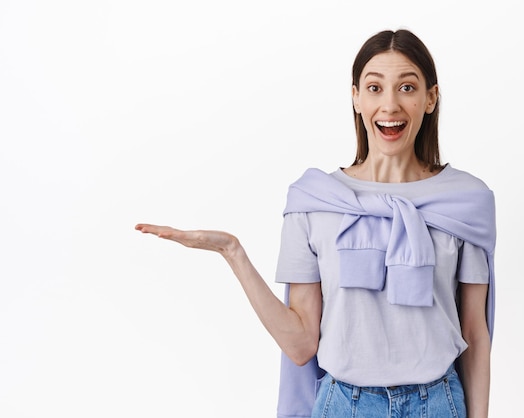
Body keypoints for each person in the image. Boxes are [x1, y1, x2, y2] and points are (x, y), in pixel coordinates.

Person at [136, 28, 496, 418]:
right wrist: (232, 253)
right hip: (344, 406)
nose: (390, 104)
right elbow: (301, 344)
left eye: (407, 88)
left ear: (430, 98)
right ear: (356, 97)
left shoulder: (465, 203)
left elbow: (475, 332)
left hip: (439, 404)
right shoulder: (313, 201)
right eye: (374, 88)